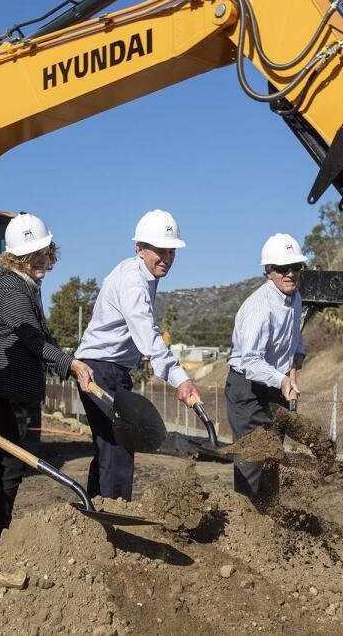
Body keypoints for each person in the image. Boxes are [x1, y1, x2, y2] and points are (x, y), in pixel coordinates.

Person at [0, 213, 94, 556]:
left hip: (9, 390)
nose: (41, 261)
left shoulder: (25, 287)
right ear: (15, 258)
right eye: (33, 255)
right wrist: (71, 364)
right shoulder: (11, 289)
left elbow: (37, 339)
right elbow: (34, 341)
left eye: (45, 253)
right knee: (6, 467)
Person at [73, 209, 202, 500]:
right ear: (139, 248)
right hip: (98, 370)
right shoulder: (133, 282)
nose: (166, 258)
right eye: (159, 250)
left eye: (171, 251)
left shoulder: (143, 275)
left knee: (110, 445)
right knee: (119, 445)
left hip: (113, 370)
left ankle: (96, 512)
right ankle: (116, 517)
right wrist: (180, 379)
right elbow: (148, 338)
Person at [225, 233, 307, 497]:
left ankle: (269, 522)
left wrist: (299, 353)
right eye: (282, 269)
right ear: (269, 272)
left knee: (272, 460)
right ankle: (245, 525)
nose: (290, 274)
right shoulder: (259, 308)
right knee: (253, 459)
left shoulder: (296, 298)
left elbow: (295, 334)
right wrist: (282, 380)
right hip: (248, 389)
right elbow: (250, 361)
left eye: (296, 267)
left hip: (274, 386)